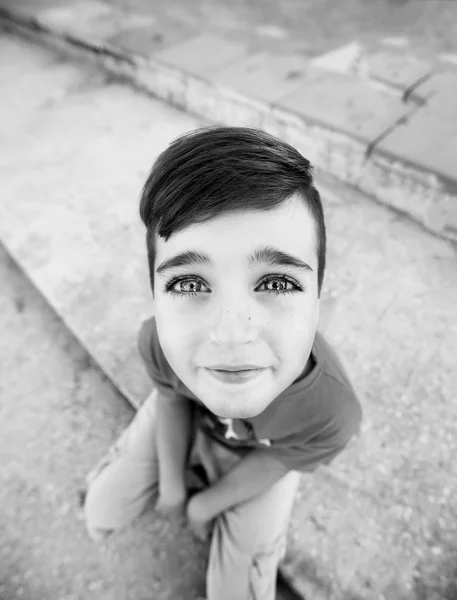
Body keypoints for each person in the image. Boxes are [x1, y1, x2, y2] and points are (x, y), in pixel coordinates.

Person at [83, 126, 363, 600]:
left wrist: (204, 506)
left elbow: (278, 460)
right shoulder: (159, 342)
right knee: (101, 511)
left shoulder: (331, 412)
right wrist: (173, 488)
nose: (232, 334)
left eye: (276, 282)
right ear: (154, 294)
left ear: (319, 297)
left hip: (262, 454)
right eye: (189, 284)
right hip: (189, 411)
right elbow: (171, 402)